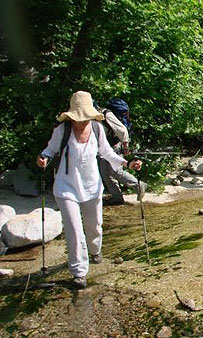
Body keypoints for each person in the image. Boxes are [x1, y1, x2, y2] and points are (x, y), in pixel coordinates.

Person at [37, 91, 143, 289]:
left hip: (92, 186)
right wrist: (43, 158)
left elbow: (107, 153)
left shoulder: (97, 128)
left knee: (94, 227)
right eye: (80, 118)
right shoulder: (62, 131)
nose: (83, 121)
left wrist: (127, 164)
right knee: (75, 231)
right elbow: (49, 150)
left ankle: (95, 251)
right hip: (66, 187)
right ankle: (79, 272)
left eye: (86, 117)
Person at [94, 100, 146, 206]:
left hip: (113, 146)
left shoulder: (105, 114)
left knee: (115, 171)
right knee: (105, 172)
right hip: (104, 147)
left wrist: (125, 146)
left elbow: (122, 130)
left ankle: (138, 185)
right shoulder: (93, 117)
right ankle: (117, 197)